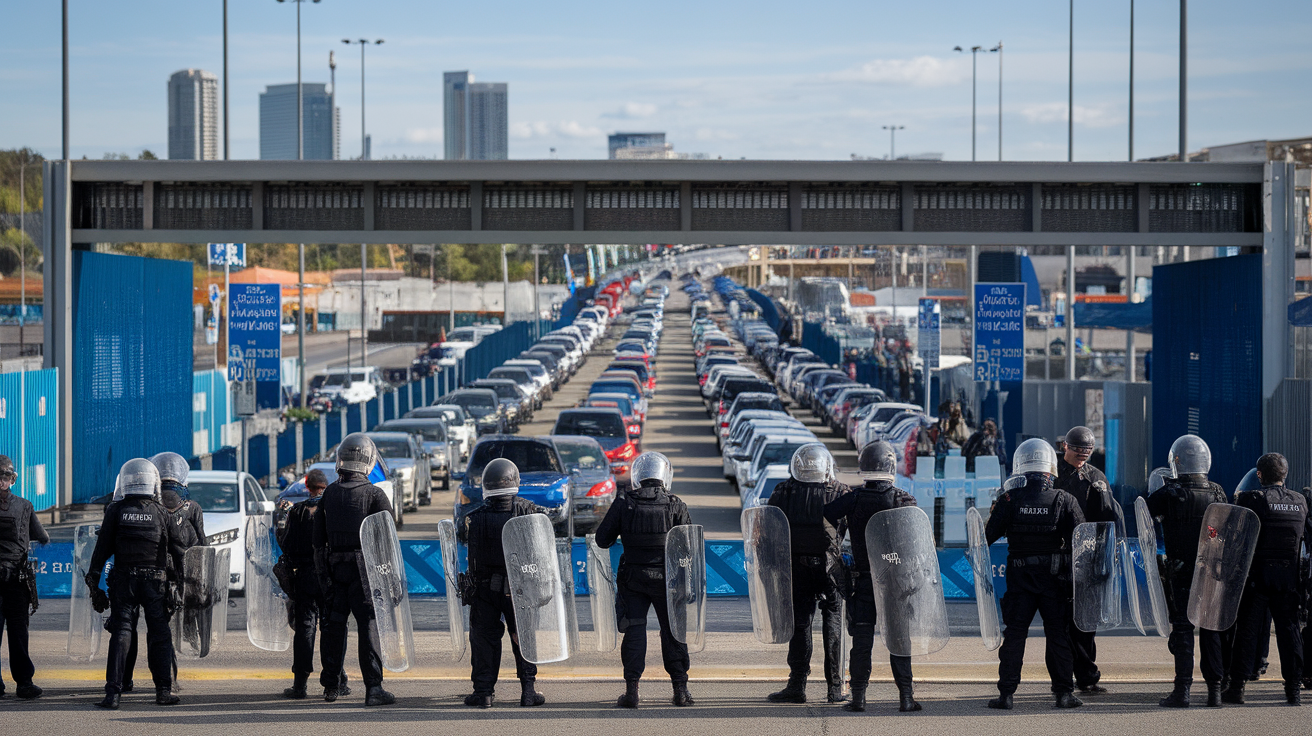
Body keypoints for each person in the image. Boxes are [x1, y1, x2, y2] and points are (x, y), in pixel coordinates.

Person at [985, 438, 1086, 710]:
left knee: (1015, 635)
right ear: (1050, 469)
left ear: (1021, 467)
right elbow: (1083, 541)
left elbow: (986, 537)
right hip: (1055, 580)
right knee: (1058, 635)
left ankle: (1006, 694)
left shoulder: (1009, 499)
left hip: (1020, 579)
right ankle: (1064, 693)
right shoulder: (1065, 499)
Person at [823, 441, 919, 712]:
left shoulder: (853, 498)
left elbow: (827, 514)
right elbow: (914, 540)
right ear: (890, 467)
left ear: (864, 467)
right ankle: (906, 699)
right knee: (899, 640)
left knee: (862, 640)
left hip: (864, 578)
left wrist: (840, 538)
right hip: (895, 581)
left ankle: (858, 698)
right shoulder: (902, 498)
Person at [595, 452, 695, 708]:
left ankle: (632, 692)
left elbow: (602, 540)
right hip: (669, 580)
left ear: (639, 476)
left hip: (634, 580)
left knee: (635, 630)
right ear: (664, 476)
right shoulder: (675, 504)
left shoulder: (624, 503)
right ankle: (681, 691)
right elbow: (689, 549)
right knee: (673, 632)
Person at [85, 459, 187, 709]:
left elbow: (101, 551)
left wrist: (94, 584)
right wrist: (183, 586)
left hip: (125, 581)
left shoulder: (115, 510)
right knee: (159, 634)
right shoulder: (163, 512)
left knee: (121, 634)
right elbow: (179, 551)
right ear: (154, 484)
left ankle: (113, 694)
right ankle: (163, 691)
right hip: (155, 582)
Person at [312, 433, 396, 706]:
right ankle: (373, 689)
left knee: (334, 628)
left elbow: (318, 541)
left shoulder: (329, 494)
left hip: (336, 571)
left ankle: (331, 687)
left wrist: (325, 575)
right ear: (368, 461)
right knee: (368, 628)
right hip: (366, 573)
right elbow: (387, 539)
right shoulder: (375, 494)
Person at [764, 443, 851, 704]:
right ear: (826, 466)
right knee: (833, 623)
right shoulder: (838, 492)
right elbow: (847, 531)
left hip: (795, 568)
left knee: (800, 625)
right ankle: (835, 688)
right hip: (829, 568)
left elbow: (769, 528)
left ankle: (797, 685)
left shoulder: (783, 491)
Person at [1222, 453, 1312, 706]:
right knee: (1289, 631)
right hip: (1288, 578)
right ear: (1285, 475)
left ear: (1259, 475)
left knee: (1247, 633)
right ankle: (1293, 690)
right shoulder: (1300, 501)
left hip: (1257, 577)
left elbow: (1235, 533)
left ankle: (1237, 688)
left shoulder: (1254, 499)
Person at [1145, 435, 1228, 708]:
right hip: (1210, 571)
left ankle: (1182, 692)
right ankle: (1215, 691)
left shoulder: (1170, 493)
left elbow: (1145, 513)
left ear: (1176, 461)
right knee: (1211, 630)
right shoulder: (1217, 492)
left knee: (1182, 631)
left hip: (1181, 572)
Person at [461, 457, 547, 708]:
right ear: (514, 482)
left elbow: (460, 535)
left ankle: (484, 693)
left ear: (487, 485)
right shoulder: (529, 511)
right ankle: (528, 691)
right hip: (520, 588)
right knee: (523, 637)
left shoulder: (475, 517)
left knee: (484, 639)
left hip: (485, 588)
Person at [121, 452, 206, 694]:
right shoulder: (192, 508)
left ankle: (126, 679)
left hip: (147, 573)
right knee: (161, 630)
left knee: (129, 628)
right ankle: (167, 681)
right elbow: (202, 546)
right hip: (175, 576)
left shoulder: (149, 506)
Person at [1053, 425, 1117, 695]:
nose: (1082, 456)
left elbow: (1108, 520)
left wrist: (1103, 558)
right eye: (1077, 450)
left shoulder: (1096, 477)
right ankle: (1062, 680)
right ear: (1065, 447)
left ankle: (1087, 676)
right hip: (1058, 555)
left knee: (1085, 622)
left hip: (1086, 556)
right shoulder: (1052, 473)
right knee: (1060, 623)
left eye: (1087, 452)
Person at [276, 469, 348, 699]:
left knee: (305, 629)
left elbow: (287, 546)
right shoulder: (335, 511)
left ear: (308, 487)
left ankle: (300, 685)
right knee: (332, 629)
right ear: (326, 486)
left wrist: (281, 521)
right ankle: (335, 683)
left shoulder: (297, 511)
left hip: (305, 577)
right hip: (330, 577)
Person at [0, 455, 47, 700]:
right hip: (15, 579)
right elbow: (43, 537)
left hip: (13, 578)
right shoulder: (25, 505)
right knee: (18, 632)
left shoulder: (25, 506)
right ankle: (24, 683)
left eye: (4, 476)